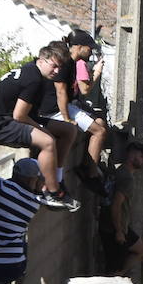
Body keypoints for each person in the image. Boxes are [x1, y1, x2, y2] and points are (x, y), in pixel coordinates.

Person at [0, 43, 80, 211]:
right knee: (47, 141)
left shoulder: (35, 71)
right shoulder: (33, 79)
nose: (57, 71)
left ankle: (57, 179)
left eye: (59, 68)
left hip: (13, 117)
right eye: (54, 66)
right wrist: (43, 130)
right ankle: (52, 192)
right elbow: (19, 115)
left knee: (69, 130)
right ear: (41, 60)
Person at [60, 29, 109, 195]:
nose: (91, 52)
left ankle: (89, 166)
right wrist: (97, 72)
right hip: (64, 108)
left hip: (70, 105)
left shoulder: (74, 62)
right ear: (79, 47)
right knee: (100, 131)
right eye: (89, 48)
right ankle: (91, 173)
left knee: (100, 125)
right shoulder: (75, 63)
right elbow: (83, 89)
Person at [100, 141, 143, 276]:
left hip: (116, 226)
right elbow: (116, 205)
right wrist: (119, 231)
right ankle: (117, 278)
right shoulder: (126, 178)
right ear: (133, 156)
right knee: (113, 270)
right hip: (114, 228)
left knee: (141, 249)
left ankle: (120, 276)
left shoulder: (120, 170)